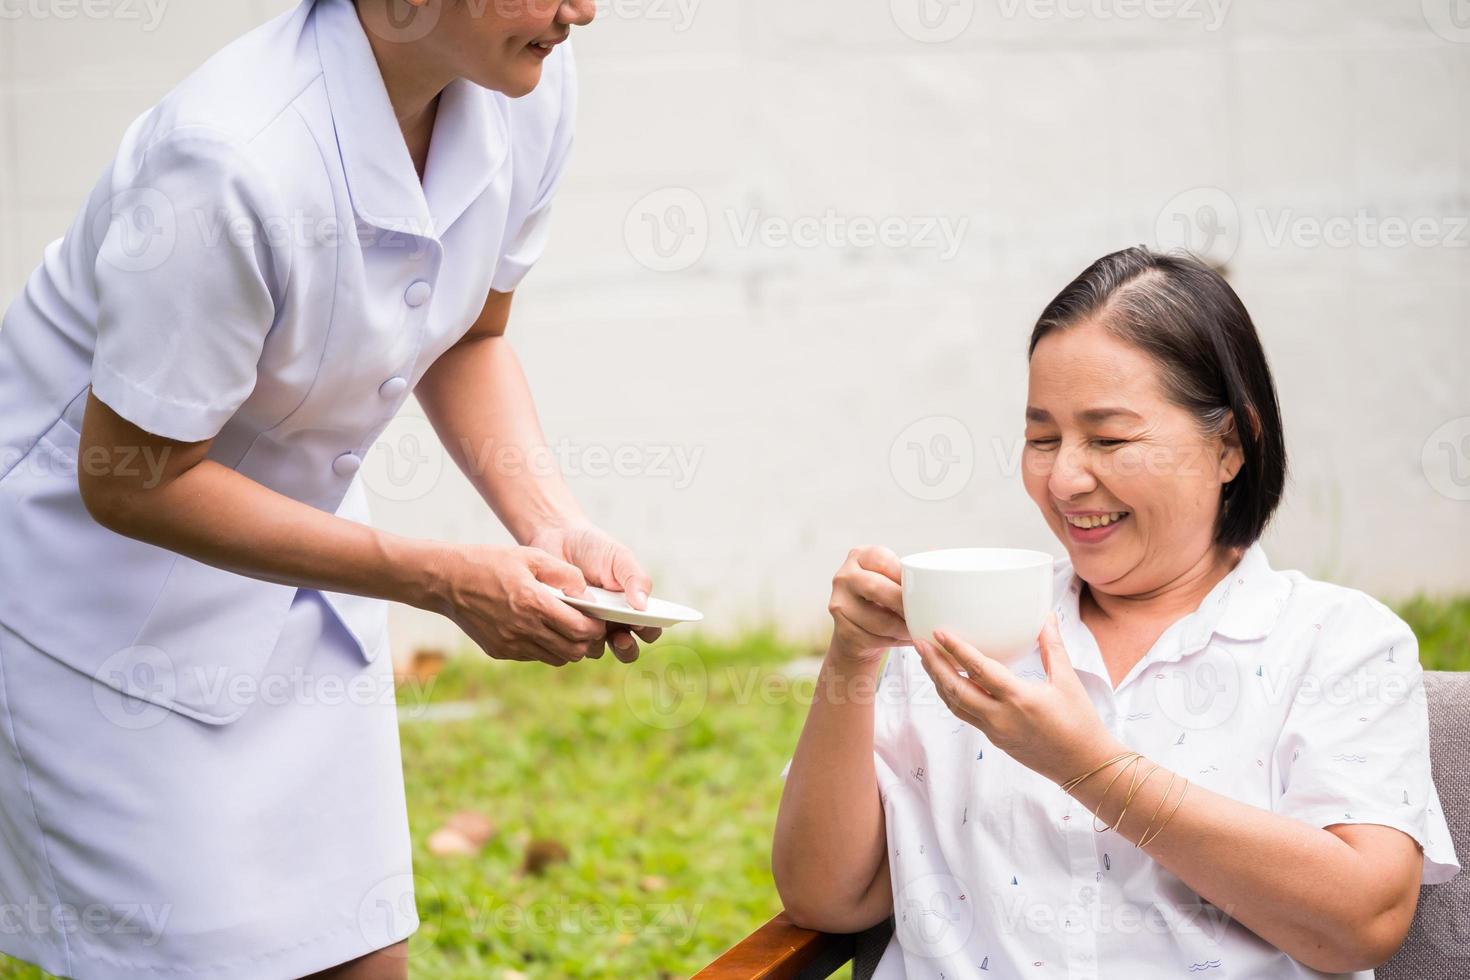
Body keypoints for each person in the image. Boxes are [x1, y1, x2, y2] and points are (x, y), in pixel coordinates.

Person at [0, 1, 658, 977]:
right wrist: (439, 578)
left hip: (299, 567)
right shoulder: (225, 159)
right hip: (95, 605)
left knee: (356, 954)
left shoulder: (526, 81)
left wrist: (554, 525)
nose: (582, 10)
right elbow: (132, 481)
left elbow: (471, 334)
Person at [773, 247, 1460, 978]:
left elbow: (1363, 921)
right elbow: (828, 901)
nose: (1065, 477)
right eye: (1043, 438)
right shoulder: (966, 634)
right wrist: (853, 657)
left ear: (1230, 445)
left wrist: (1089, 768)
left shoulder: (1338, 643)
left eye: (1109, 438)